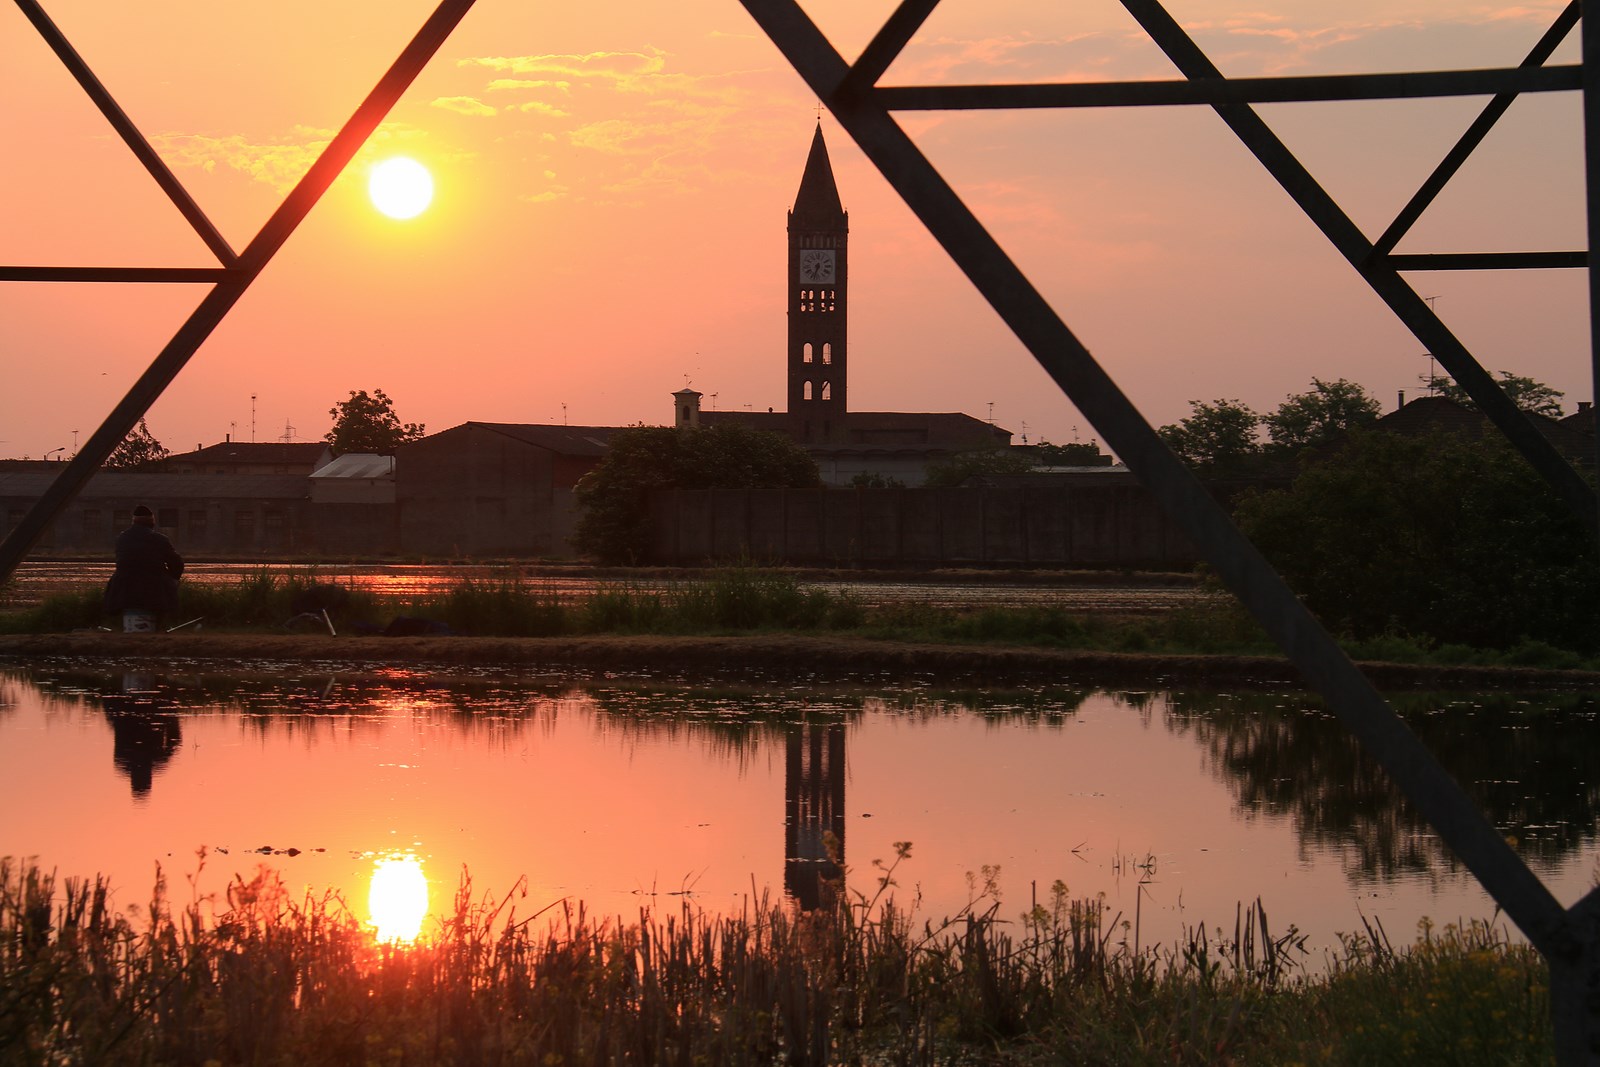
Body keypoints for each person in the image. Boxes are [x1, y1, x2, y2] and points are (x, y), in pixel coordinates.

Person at [104, 505, 184, 632]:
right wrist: (173, 580)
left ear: (133, 521)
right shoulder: (160, 539)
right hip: (154, 586)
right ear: (152, 522)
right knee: (165, 584)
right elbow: (177, 563)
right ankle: (159, 626)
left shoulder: (121, 539)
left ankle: (124, 626)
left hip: (123, 587)